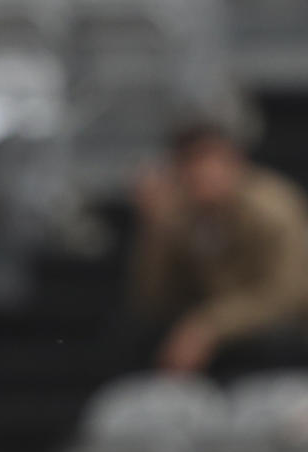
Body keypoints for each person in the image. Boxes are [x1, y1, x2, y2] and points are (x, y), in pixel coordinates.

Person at [130, 120, 308, 373]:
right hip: (220, 331)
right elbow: (155, 300)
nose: (203, 172)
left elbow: (286, 295)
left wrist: (210, 326)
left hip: (280, 331)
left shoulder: (273, 210)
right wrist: (155, 230)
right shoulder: (182, 214)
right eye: (191, 163)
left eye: (210, 161)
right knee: (137, 335)